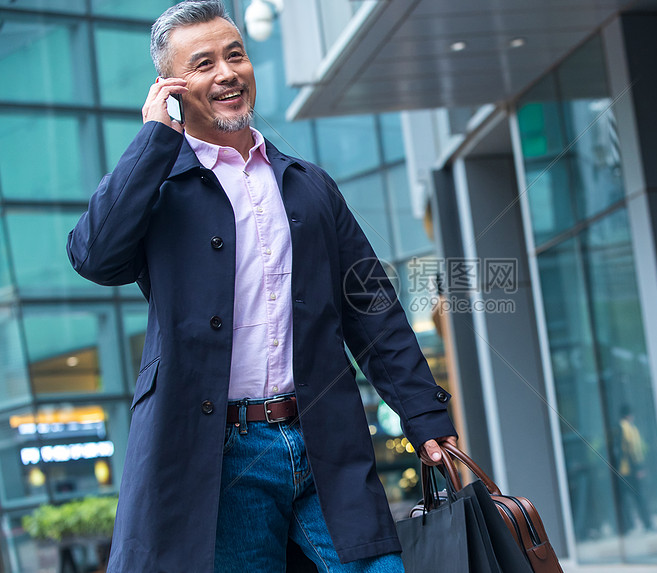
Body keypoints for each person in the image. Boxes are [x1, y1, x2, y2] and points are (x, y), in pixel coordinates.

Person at [66, 1, 457, 571]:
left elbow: (371, 306)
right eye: (203, 64)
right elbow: (94, 256)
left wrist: (423, 414)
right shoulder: (159, 189)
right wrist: (154, 139)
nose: (226, 73)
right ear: (170, 87)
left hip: (326, 443)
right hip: (221, 459)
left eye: (235, 56)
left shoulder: (308, 186)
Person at [616, 404, 653, 534]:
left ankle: (629, 526)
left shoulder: (622, 428)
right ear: (629, 415)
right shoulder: (628, 429)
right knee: (639, 497)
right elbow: (631, 450)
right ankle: (647, 524)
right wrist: (638, 468)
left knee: (625, 500)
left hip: (623, 470)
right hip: (629, 470)